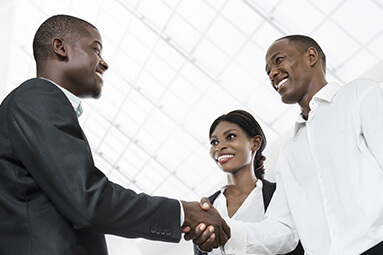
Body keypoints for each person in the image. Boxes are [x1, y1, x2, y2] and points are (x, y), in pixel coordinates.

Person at [0, 14, 230, 254]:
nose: (104, 63)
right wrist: (182, 213)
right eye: (96, 49)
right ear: (60, 48)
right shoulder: (37, 97)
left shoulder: (40, 104)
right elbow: (90, 202)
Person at [190, 34, 383, 255]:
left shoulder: (360, 95)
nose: (272, 73)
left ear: (310, 56)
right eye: (268, 71)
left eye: (278, 60)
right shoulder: (288, 155)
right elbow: (283, 230)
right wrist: (225, 228)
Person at [192, 110, 303, 255]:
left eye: (230, 136)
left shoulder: (279, 195)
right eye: (214, 142)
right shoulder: (207, 208)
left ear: (255, 143)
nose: (219, 147)